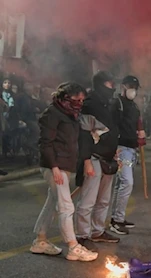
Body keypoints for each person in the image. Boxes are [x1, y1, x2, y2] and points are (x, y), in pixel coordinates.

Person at [31, 82, 98, 261]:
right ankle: (73, 246)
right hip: (55, 166)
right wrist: (54, 168)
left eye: (82, 99)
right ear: (65, 98)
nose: (80, 103)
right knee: (66, 205)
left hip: (64, 164)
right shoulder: (52, 114)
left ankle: (40, 240)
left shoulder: (71, 115)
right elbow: (45, 143)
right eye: (77, 99)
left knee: (53, 202)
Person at [75, 71, 121, 248]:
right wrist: (86, 160)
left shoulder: (106, 103)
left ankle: (98, 231)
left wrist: (114, 149)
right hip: (94, 158)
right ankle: (82, 235)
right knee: (88, 200)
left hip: (108, 157)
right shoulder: (90, 105)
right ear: (101, 85)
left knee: (103, 199)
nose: (112, 88)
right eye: (110, 84)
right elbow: (85, 135)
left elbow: (110, 130)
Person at [110, 75, 145, 235]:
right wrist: (113, 147)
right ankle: (116, 221)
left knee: (120, 183)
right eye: (130, 86)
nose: (133, 90)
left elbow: (137, 124)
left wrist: (140, 135)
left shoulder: (133, 106)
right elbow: (112, 125)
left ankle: (118, 217)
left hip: (131, 150)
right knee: (127, 182)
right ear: (123, 86)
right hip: (121, 149)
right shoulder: (117, 104)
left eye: (135, 87)